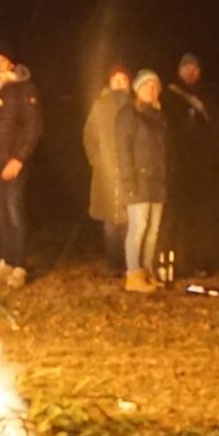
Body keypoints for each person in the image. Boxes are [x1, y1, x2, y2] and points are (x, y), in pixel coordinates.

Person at [0, 49, 41, 286]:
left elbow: (33, 127)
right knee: (0, 214)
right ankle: (6, 261)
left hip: (13, 162)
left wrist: (18, 158)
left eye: (1, 62)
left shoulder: (23, 89)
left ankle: (19, 265)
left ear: (11, 64)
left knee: (14, 211)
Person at [164, 52, 219, 273]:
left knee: (200, 219)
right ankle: (175, 262)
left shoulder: (208, 97)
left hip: (202, 169)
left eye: (194, 68)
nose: (190, 72)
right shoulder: (169, 97)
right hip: (178, 168)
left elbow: (218, 129)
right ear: (179, 71)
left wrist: (213, 157)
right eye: (186, 68)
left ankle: (198, 261)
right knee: (176, 218)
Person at [115, 68, 170, 294]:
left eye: (155, 86)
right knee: (138, 227)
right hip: (139, 179)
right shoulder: (128, 114)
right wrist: (128, 180)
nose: (152, 89)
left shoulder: (159, 116)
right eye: (147, 85)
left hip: (158, 181)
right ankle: (133, 273)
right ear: (138, 89)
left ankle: (147, 270)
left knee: (153, 229)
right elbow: (124, 149)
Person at [82, 63, 134, 276]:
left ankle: (131, 263)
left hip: (131, 171)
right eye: (116, 80)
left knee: (130, 220)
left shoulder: (135, 105)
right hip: (106, 173)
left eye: (123, 79)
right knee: (110, 222)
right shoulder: (100, 106)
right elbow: (89, 136)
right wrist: (96, 160)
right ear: (110, 83)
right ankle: (114, 264)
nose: (120, 83)